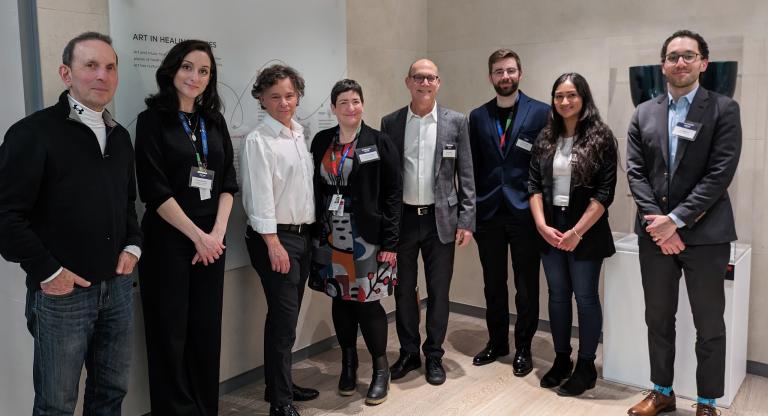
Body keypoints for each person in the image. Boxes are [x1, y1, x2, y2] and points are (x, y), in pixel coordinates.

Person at [0, 32, 141, 415]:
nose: (102, 76)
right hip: (63, 296)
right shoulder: (32, 134)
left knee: (110, 393)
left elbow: (126, 202)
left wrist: (132, 245)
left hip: (117, 290)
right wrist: (49, 272)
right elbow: (6, 216)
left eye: (110, 67)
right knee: (56, 404)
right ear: (66, 73)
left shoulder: (120, 137)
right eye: (90, 66)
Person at [626, 30, 741, 416]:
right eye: (673, 56)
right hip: (654, 236)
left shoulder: (724, 109)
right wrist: (658, 225)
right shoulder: (644, 112)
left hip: (706, 236)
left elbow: (719, 174)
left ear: (703, 63)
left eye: (688, 56)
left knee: (709, 323)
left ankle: (707, 401)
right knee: (658, 318)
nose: (680, 62)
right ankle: (661, 392)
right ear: (663, 65)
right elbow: (636, 172)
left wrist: (675, 221)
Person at [134, 39, 238, 415]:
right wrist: (198, 236)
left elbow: (227, 182)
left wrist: (216, 235)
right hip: (169, 242)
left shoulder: (213, 121)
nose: (195, 77)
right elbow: (154, 190)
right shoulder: (151, 121)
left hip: (213, 242)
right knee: (169, 334)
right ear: (172, 70)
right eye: (188, 67)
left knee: (206, 332)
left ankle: (204, 408)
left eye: (204, 71)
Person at [380, 59, 476, 386]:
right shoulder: (391, 122)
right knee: (403, 290)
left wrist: (467, 220)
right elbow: (387, 178)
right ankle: (408, 352)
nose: (424, 82)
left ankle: (433, 354)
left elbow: (466, 175)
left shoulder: (456, 122)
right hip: (404, 221)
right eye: (418, 77)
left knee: (439, 291)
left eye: (430, 77)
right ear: (408, 82)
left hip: (441, 221)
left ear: (439, 82)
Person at [309, 79, 402, 404]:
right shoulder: (321, 141)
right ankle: (349, 364)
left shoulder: (379, 141)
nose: (351, 108)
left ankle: (380, 370)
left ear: (363, 104)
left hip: (368, 238)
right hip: (331, 234)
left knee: (367, 302)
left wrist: (391, 243)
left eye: (356, 101)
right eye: (344, 102)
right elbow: (316, 188)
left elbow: (393, 195)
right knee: (340, 299)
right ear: (333, 108)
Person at [529, 73, 617, 396]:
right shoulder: (545, 137)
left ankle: (586, 365)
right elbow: (533, 185)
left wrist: (577, 231)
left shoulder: (601, 137)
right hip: (550, 226)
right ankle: (562, 358)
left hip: (586, 229)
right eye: (558, 96)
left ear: (583, 98)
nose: (564, 102)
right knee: (557, 295)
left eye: (571, 95)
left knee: (586, 297)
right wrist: (540, 224)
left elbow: (605, 193)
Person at [240, 64, 318, 416]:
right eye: (275, 96)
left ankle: (278, 387)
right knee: (285, 323)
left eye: (289, 95)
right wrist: (273, 243)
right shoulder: (260, 140)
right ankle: (281, 404)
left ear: (298, 95)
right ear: (261, 99)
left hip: (302, 237)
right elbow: (259, 197)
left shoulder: (299, 134)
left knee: (284, 319)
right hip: (276, 239)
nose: (283, 102)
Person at [468, 49, 550, 374]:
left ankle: (524, 348)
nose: (505, 76)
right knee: (493, 282)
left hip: (526, 213)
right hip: (488, 213)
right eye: (499, 71)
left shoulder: (540, 113)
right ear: (490, 76)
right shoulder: (477, 116)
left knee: (526, 284)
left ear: (520, 73)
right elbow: (471, 166)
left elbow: (545, 165)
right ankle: (497, 341)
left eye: (511, 70)